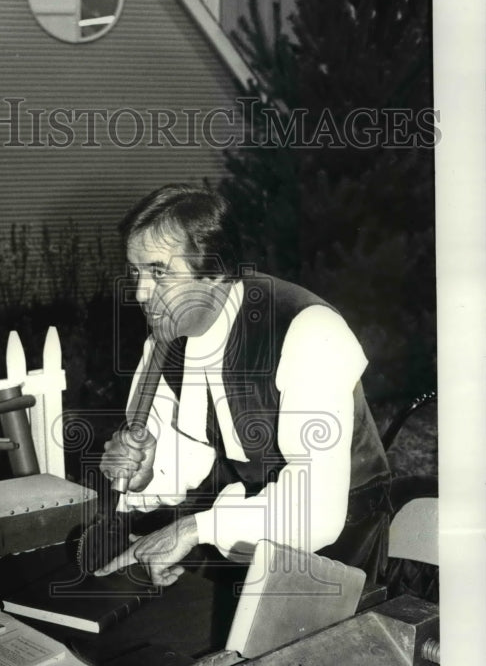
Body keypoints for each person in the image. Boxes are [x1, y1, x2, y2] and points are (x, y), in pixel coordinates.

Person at [96, 183, 392, 589]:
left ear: (216, 271)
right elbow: (181, 459)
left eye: (159, 273)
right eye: (135, 272)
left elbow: (318, 511)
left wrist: (192, 530)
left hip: (343, 541)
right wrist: (147, 474)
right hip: (248, 527)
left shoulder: (306, 330)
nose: (140, 292)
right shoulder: (167, 343)